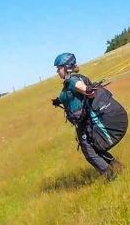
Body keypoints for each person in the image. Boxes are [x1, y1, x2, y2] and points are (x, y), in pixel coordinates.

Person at [51, 52, 123, 180]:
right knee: (95, 147)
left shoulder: (73, 80)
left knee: (89, 152)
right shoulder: (70, 81)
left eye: (59, 68)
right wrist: (60, 100)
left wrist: (88, 91)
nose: (57, 71)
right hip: (82, 121)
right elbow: (73, 96)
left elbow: (84, 89)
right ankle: (118, 167)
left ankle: (110, 176)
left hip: (84, 122)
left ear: (66, 67)